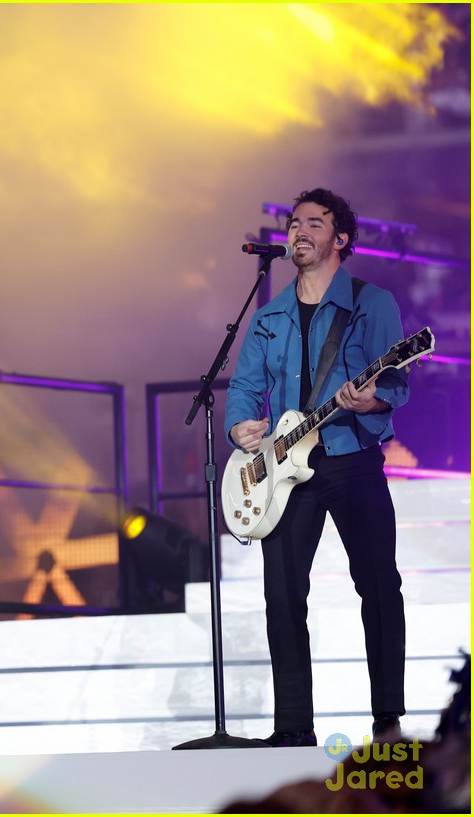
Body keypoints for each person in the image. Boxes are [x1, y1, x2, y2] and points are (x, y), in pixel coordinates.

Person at [225, 188, 409, 748]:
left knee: (378, 586)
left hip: (352, 459)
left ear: (340, 238)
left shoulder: (371, 304)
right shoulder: (269, 315)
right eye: (294, 223)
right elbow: (244, 387)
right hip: (283, 469)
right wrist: (239, 427)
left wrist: (369, 401)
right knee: (281, 595)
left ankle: (388, 723)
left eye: (314, 222)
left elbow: (395, 383)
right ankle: (292, 726)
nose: (299, 230)